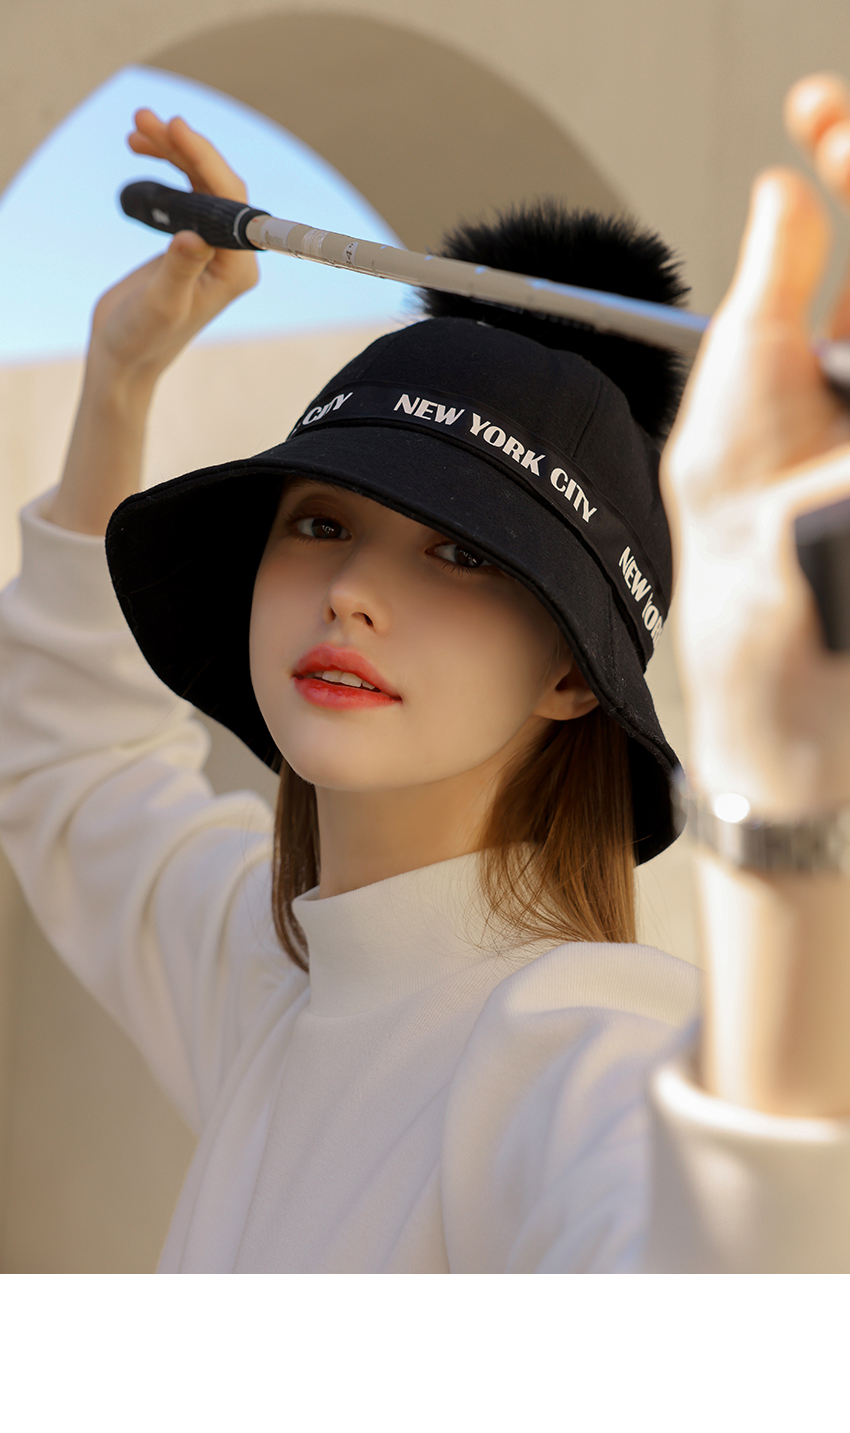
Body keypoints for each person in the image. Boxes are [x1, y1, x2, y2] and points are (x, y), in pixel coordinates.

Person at [2, 76, 850, 1272]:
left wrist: (786, 794)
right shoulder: (271, 978)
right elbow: (74, 765)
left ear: (571, 676)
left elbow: (732, 1303)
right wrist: (122, 374)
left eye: (461, 552)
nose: (352, 590)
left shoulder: (573, 1042)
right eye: (321, 523)